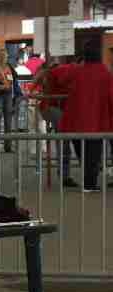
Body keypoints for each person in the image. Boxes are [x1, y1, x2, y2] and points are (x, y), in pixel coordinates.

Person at [53, 42, 113, 191]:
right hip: (97, 120)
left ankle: (88, 180)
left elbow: (59, 77)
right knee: (93, 153)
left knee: (81, 150)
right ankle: (90, 184)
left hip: (74, 119)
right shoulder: (105, 73)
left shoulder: (76, 70)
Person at [0, 48, 22, 153]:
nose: (3, 58)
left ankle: (8, 147)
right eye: (1, 56)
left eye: (5, 56)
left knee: (8, 122)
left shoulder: (10, 68)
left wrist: (18, 94)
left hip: (8, 96)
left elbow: (14, 82)